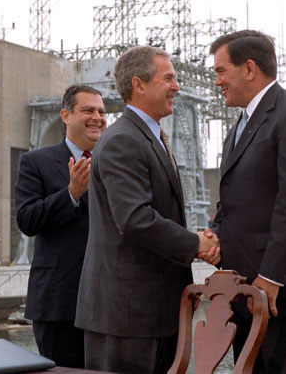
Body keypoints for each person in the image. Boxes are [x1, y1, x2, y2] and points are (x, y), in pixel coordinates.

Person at [75, 45, 220, 374]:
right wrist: (197, 244)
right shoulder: (122, 140)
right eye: (168, 78)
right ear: (138, 84)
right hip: (127, 318)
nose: (176, 86)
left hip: (154, 313)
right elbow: (136, 219)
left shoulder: (148, 137)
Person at [209, 30, 286, 373]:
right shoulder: (237, 129)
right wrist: (214, 235)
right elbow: (234, 202)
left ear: (249, 69)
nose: (217, 81)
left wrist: (272, 277)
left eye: (221, 71)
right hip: (248, 300)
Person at [14, 85, 106, 368]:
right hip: (59, 303)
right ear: (66, 116)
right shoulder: (36, 162)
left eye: (102, 112)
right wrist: (70, 194)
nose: (97, 117)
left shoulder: (116, 162)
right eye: (88, 110)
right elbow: (27, 220)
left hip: (109, 302)